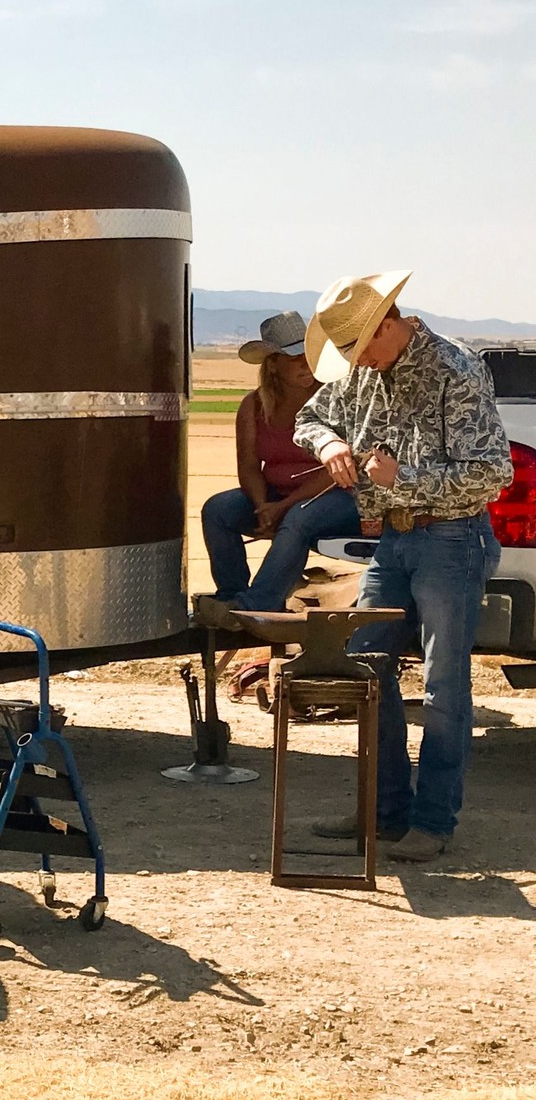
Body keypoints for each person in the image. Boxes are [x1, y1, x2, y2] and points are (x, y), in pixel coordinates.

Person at [293, 272, 513, 862]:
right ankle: (383, 814)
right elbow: (309, 418)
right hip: (393, 540)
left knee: (443, 685)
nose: (358, 360)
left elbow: (494, 471)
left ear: (390, 322)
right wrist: (330, 446)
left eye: (363, 345)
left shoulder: (455, 369)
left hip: (452, 538)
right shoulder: (364, 371)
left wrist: (403, 479)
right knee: (367, 671)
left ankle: (432, 823)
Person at [197, 310, 360, 625]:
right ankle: (231, 596)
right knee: (217, 510)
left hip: (341, 495)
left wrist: (282, 507)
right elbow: (248, 465)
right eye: (294, 357)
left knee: (298, 518)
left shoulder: (334, 400)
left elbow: (338, 470)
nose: (304, 363)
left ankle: (259, 605)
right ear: (273, 364)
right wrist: (262, 506)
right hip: (275, 496)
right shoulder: (254, 406)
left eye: (308, 355)